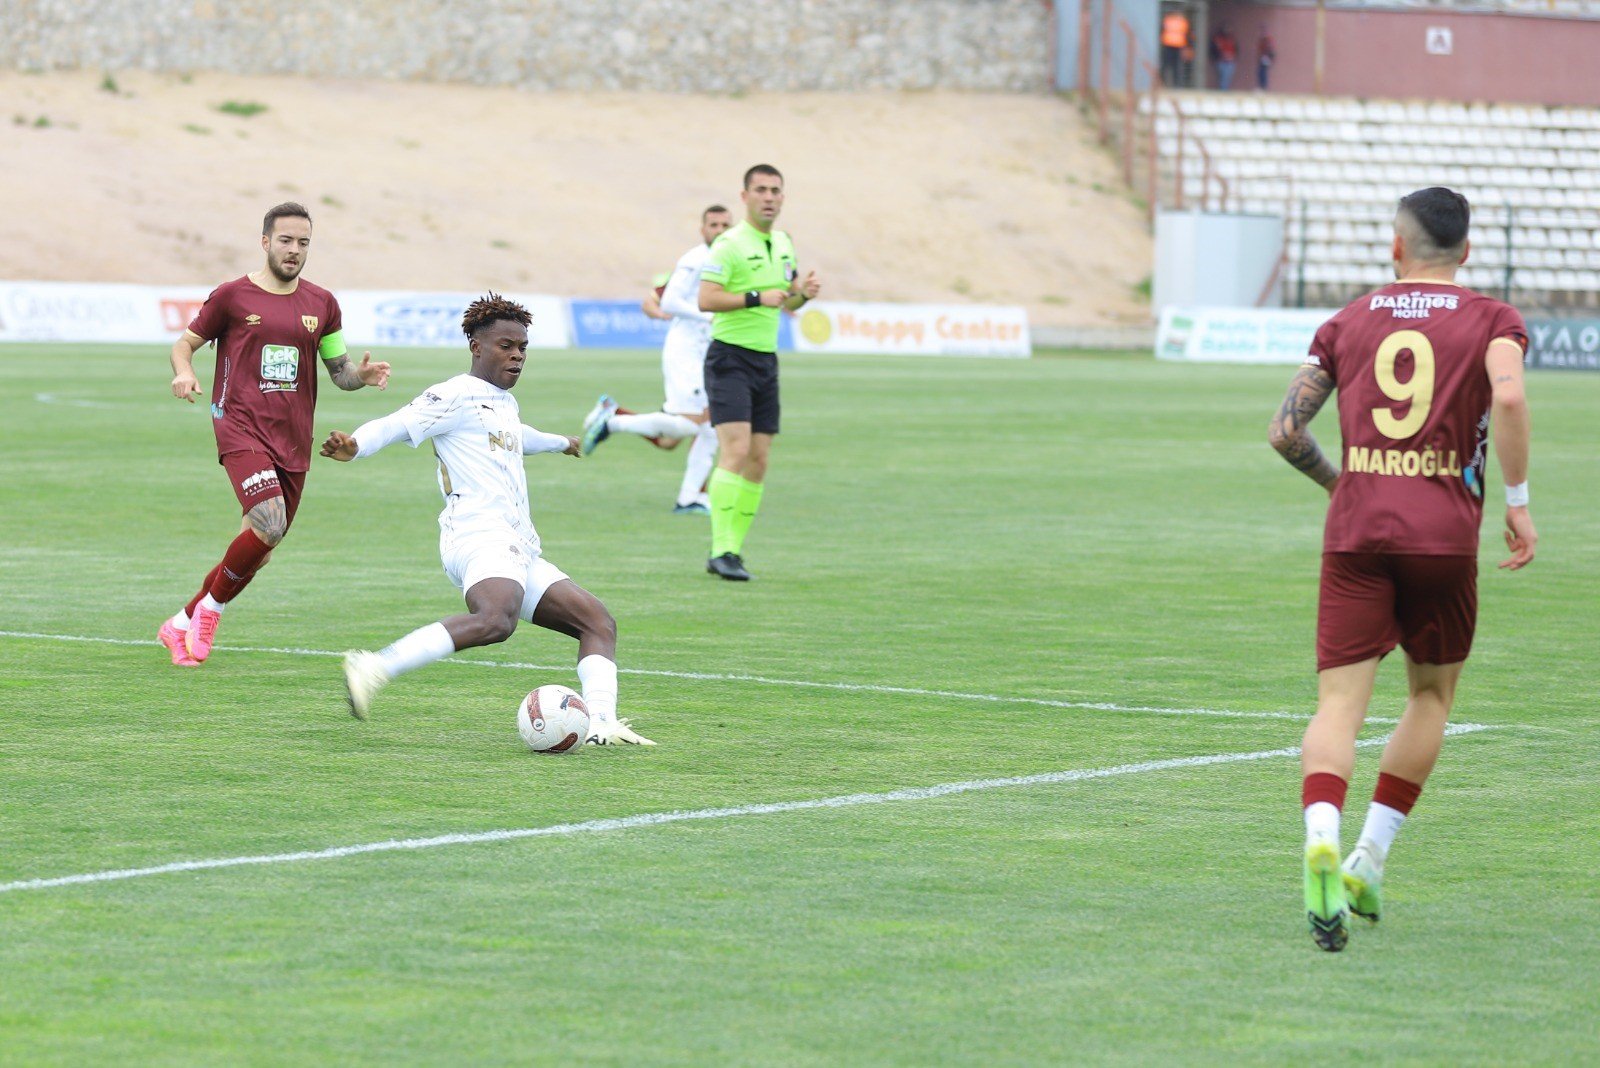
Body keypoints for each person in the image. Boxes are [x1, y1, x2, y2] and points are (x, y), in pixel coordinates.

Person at [1268, 187, 1535, 952]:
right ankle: (1369, 857)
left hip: (1356, 532)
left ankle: (1322, 831)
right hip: (1444, 537)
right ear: (1469, 251)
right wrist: (1516, 503)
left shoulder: (1349, 320)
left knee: (1339, 705)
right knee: (1429, 694)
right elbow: (1509, 401)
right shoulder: (1492, 319)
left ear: (1395, 246)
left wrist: (1342, 483)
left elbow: (1285, 431)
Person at [324, 293, 653, 746]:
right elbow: (395, 424)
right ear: (477, 347)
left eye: (522, 348)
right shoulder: (453, 394)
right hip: (476, 534)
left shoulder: (502, 402)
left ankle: (602, 724)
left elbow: (517, 437)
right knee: (496, 619)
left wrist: (562, 442)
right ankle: (376, 665)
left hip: (517, 543)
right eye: (505, 345)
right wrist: (356, 447)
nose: (516, 355)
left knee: (597, 623)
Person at [157, 202, 390, 667]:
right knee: (269, 520)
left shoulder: (322, 304)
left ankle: (180, 622)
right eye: (285, 240)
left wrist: (360, 377)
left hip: (293, 439)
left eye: (303, 243)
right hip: (239, 424)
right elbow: (184, 344)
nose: (294, 250)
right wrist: (184, 373)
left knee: (258, 552)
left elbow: (339, 373)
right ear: (265, 242)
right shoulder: (232, 296)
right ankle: (211, 610)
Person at [696, 165, 821, 581]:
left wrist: (804, 294)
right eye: (761, 190)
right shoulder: (729, 244)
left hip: (766, 360)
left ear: (783, 198)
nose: (769, 197)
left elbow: (789, 303)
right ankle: (721, 550)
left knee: (760, 459)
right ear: (745, 196)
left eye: (776, 191)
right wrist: (756, 297)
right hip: (729, 357)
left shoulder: (784, 243)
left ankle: (735, 549)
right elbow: (706, 299)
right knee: (734, 450)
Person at [581, 204, 734, 515]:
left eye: (725, 226)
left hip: (706, 356)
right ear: (702, 229)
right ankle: (614, 421)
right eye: (713, 225)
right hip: (686, 354)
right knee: (693, 427)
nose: (719, 231)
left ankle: (690, 498)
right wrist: (698, 316)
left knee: (699, 431)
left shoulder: (728, 261)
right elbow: (660, 299)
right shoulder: (695, 260)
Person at [1160, 7, 1190, 88]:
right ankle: (1175, 84)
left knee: (1168, 66)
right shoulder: (1183, 21)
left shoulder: (1167, 20)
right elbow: (1187, 35)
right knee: (1174, 66)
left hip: (1171, 45)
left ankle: (1165, 83)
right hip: (1175, 45)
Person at [1211, 25, 1238, 90]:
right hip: (1221, 61)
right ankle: (1222, 92)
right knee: (1222, 78)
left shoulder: (1232, 39)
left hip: (1230, 61)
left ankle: (1224, 91)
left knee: (1227, 78)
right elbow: (1215, 50)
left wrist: (1232, 57)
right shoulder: (1218, 39)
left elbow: (1236, 50)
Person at [1257, 26, 1276, 91]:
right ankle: (1262, 87)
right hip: (1262, 58)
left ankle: (1263, 87)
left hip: (1266, 58)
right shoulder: (1262, 39)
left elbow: (1270, 49)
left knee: (1263, 73)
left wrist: (1269, 58)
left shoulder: (1267, 39)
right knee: (1261, 72)